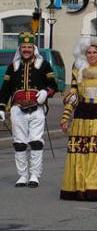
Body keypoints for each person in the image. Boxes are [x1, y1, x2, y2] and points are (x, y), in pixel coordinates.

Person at [60, 35, 97, 201]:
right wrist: (65, 117)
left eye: (95, 52)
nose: (92, 55)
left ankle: (95, 189)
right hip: (81, 118)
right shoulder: (78, 72)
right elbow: (73, 96)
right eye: (89, 52)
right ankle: (78, 188)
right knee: (80, 155)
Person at [0, 31, 58, 188]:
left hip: (37, 109)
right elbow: (5, 89)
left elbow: (54, 85)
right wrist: (1, 108)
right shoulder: (13, 67)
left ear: (34, 48)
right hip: (17, 110)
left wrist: (46, 92)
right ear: (20, 48)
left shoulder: (43, 64)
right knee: (19, 143)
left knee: (35, 141)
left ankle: (34, 175)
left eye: (29, 47)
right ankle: (22, 175)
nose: (26, 50)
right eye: (23, 47)